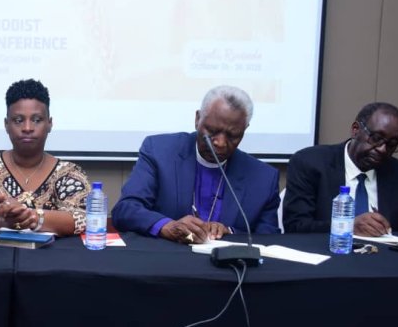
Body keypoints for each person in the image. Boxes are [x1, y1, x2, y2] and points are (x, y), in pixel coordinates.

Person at [111, 85, 280, 243]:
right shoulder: (159, 151)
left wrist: (231, 232)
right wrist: (167, 226)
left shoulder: (264, 178)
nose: (220, 143)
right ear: (198, 119)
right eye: (212, 131)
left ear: (244, 130)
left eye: (232, 136)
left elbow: (269, 239)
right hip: (166, 259)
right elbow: (126, 209)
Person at [0, 79, 90, 236]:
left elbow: (84, 218)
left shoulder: (69, 174)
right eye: (18, 120)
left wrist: (32, 217)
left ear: (49, 124)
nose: (27, 128)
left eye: (36, 120)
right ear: (6, 125)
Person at [283, 102, 398, 235]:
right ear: (355, 130)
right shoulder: (310, 163)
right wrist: (348, 227)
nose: (382, 149)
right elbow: (296, 226)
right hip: (327, 247)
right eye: (376, 138)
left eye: (392, 144)